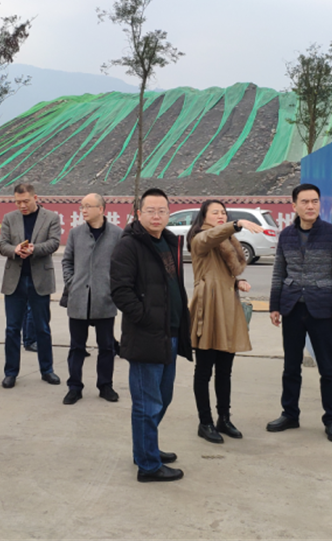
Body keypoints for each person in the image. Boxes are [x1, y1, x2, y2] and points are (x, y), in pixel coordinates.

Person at [110, 188, 193, 483]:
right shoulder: (129, 246)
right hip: (146, 335)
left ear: (169, 213)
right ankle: (148, 465)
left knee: (163, 398)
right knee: (147, 404)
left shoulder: (169, 242)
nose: (156, 216)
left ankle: (146, 448)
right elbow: (120, 291)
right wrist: (146, 318)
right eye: (150, 211)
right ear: (139, 214)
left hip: (170, 334)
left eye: (162, 211)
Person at [266, 183, 332, 443]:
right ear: (294, 205)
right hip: (292, 307)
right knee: (291, 366)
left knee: (327, 368)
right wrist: (274, 305)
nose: (310, 206)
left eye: (314, 201)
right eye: (304, 201)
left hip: (322, 309)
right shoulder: (286, 235)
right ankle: (290, 414)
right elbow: (279, 271)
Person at [187, 200, 263, 443]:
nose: (221, 216)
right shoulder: (200, 238)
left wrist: (237, 281)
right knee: (204, 370)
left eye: (223, 212)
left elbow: (222, 273)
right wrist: (236, 224)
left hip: (228, 307)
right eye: (215, 212)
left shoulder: (227, 240)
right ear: (203, 216)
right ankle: (205, 422)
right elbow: (209, 238)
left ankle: (224, 418)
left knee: (225, 370)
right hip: (209, 308)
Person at [0, 183, 62, 388]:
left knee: (42, 327)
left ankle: (47, 370)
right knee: (12, 329)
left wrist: (34, 249)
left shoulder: (51, 217)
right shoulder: (9, 218)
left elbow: (54, 243)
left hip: (39, 280)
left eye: (25, 201)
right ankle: (10, 372)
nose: (22, 206)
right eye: (18, 202)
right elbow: (2, 245)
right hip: (14, 281)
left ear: (35, 198)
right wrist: (15, 250)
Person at [61, 193, 122, 405]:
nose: (83, 210)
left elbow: (122, 265)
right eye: (82, 206)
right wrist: (72, 283)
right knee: (76, 347)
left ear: (101, 209)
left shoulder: (117, 234)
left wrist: (112, 288)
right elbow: (67, 261)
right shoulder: (76, 233)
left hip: (104, 299)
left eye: (88, 206)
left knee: (106, 347)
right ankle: (74, 387)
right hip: (79, 299)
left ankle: (105, 385)